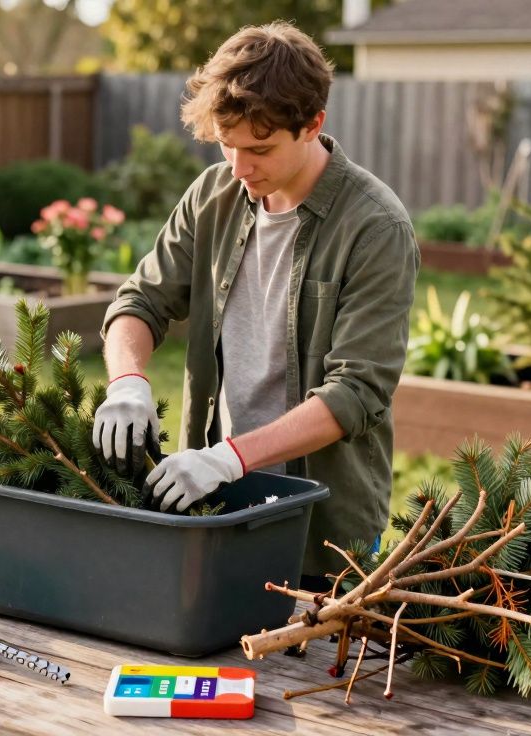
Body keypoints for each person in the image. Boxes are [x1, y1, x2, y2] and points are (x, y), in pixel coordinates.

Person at [93, 21, 419, 590]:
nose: (239, 168)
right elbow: (139, 301)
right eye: (228, 145)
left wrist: (227, 459)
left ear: (313, 125)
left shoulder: (375, 227)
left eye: (260, 149)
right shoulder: (213, 195)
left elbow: (356, 392)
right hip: (212, 503)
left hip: (322, 533)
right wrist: (127, 382)